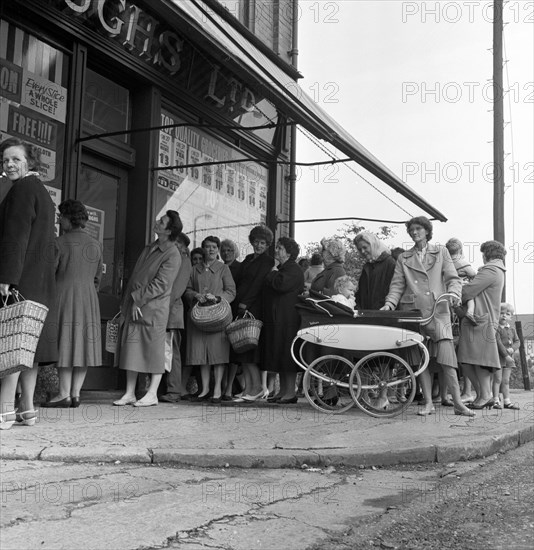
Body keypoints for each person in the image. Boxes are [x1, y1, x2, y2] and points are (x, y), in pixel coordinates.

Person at [381, 216, 474, 417]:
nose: (415, 232)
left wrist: (455, 295)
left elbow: (452, 278)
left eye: (418, 229)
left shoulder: (441, 252)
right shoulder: (403, 258)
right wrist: (389, 303)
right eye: (411, 230)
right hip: (413, 313)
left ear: (426, 231)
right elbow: (397, 285)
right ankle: (429, 402)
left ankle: (458, 403)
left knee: (447, 359)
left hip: (439, 311)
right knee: (420, 359)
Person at [0, 138, 57, 429]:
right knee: (29, 348)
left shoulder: (22, 189)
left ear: (29, 162)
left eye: (16, 159)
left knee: (11, 343)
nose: (9, 164)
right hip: (39, 282)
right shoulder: (42, 192)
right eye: (5, 160)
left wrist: (7, 277)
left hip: (20, 280)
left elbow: (16, 237)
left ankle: (5, 410)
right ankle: (28, 409)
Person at [113, 211, 182, 407]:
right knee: (131, 348)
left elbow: (161, 284)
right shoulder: (151, 247)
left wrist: (137, 300)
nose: (157, 222)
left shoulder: (173, 253)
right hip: (137, 304)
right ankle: (130, 393)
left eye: (162, 222)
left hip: (153, 308)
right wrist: (128, 302)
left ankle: (152, 393)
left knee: (154, 350)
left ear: (169, 231)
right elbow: (136, 276)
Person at [41, 200, 102, 409]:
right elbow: (97, 278)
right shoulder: (96, 244)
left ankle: (63, 394)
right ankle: (76, 394)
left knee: (65, 344)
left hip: (64, 296)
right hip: (89, 298)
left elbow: (49, 273)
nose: (59, 219)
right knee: (83, 345)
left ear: (69, 218)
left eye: (61, 216)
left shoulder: (59, 243)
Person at [184, 235, 236, 403]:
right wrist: (195, 295)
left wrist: (218, 297)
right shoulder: (194, 269)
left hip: (218, 316)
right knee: (200, 353)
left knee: (218, 354)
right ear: (203, 248)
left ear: (217, 249)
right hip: (199, 316)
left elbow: (231, 291)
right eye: (208, 246)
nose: (211, 249)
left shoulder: (223, 269)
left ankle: (217, 389)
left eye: (214, 246)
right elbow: (186, 289)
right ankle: (204, 389)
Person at [457, 241, 507, 410]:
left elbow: (469, 290)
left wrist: (458, 289)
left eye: (483, 253)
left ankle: (484, 395)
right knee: (474, 360)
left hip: (479, 320)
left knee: (476, 360)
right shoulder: (499, 270)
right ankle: (483, 395)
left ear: (487, 253)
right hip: (484, 319)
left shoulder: (490, 270)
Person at [230, 225, 275, 403]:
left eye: (262, 243)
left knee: (249, 350)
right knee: (242, 349)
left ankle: (256, 388)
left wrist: (245, 303)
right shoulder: (248, 259)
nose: (259, 245)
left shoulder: (268, 262)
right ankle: (249, 388)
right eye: (256, 242)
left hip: (253, 308)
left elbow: (257, 285)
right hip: (240, 307)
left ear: (267, 244)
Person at [263, 237, 305, 404]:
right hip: (279, 317)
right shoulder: (284, 268)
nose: (277, 251)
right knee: (280, 354)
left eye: (280, 248)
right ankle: (283, 391)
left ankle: (290, 392)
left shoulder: (293, 269)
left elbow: (280, 285)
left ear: (289, 252)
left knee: (288, 355)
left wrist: (272, 273)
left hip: (288, 318)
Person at [159, 232, 192, 403]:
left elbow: (177, 290)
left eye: (179, 243)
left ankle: (173, 390)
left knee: (171, 353)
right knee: (164, 352)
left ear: (185, 247)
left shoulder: (184, 261)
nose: (175, 245)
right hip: (165, 312)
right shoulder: (172, 258)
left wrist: (162, 307)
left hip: (171, 314)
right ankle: (165, 389)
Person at [354, 231, 396, 310]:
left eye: (365, 247)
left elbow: (394, 290)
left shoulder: (390, 263)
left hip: (383, 313)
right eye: (360, 249)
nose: (363, 251)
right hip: (367, 314)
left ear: (373, 245)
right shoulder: (367, 266)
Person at [493, 302, 520, 410]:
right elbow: (498, 343)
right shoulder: (496, 329)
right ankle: (495, 400)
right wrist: (505, 355)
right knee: (497, 379)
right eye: (501, 313)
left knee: (506, 380)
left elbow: (518, 341)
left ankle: (507, 401)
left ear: (511, 317)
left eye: (507, 314)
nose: (504, 315)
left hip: (509, 359)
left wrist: (512, 348)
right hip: (499, 358)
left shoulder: (512, 329)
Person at [445, 238, 478, 325]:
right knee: (470, 299)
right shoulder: (462, 263)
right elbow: (473, 274)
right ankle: (470, 312)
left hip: (451, 289)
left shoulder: (446, 263)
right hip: (463, 287)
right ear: (460, 250)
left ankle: (455, 310)